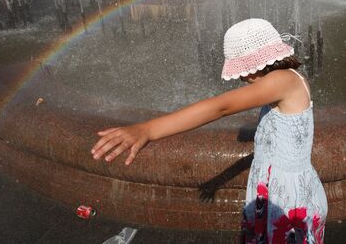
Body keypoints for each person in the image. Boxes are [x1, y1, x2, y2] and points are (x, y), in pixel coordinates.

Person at [91, 18, 328, 243]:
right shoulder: (278, 83)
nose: (242, 77)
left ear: (256, 61)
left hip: (289, 199)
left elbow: (221, 107)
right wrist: (220, 179)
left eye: (243, 69)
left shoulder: (284, 81)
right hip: (273, 188)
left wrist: (147, 130)